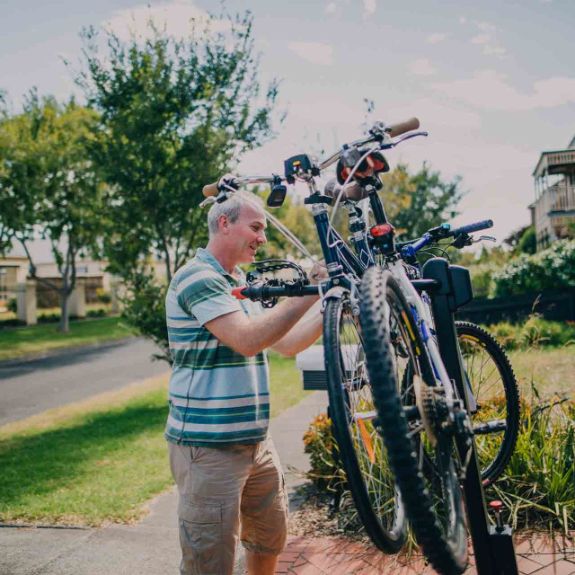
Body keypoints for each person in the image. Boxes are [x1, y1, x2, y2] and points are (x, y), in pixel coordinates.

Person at [165, 191, 324, 575]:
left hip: (256, 444)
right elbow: (248, 339)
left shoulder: (236, 282)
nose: (262, 238)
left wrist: (328, 303)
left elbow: (283, 343)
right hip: (209, 447)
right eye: (255, 227)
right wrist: (307, 288)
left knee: (268, 539)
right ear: (224, 223)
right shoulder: (197, 279)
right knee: (210, 561)